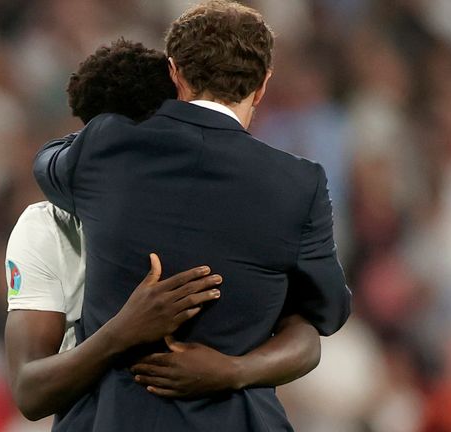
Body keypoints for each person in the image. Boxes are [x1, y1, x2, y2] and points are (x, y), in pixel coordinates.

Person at [34, 1, 351, 429]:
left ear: (173, 73)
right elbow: (326, 313)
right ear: (261, 86)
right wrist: (234, 366)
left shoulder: (106, 145)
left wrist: (131, 109)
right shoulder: (299, 183)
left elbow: (48, 163)